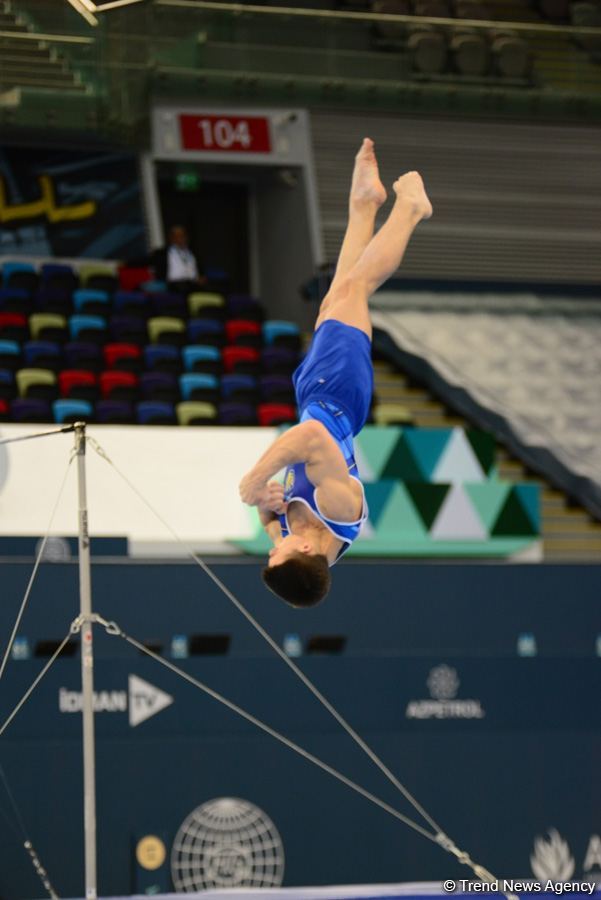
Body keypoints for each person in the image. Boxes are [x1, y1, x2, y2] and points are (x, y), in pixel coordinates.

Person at [239, 138, 432, 607]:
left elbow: (272, 520)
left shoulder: (298, 539)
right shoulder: (336, 511)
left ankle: (364, 205)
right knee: (355, 289)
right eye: (276, 553)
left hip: (314, 393)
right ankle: (410, 210)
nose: (272, 546)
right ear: (306, 549)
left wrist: (267, 509)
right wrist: (253, 482)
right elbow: (310, 440)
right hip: (342, 397)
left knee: (335, 300)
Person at [153, 225, 206, 294]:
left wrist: (201, 277)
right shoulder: (162, 254)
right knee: (183, 288)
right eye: (177, 236)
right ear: (172, 239)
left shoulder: (193, 252)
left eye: (183, 236)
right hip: (174, 284)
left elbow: (201, 271)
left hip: (194, 283)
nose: (180, 239)